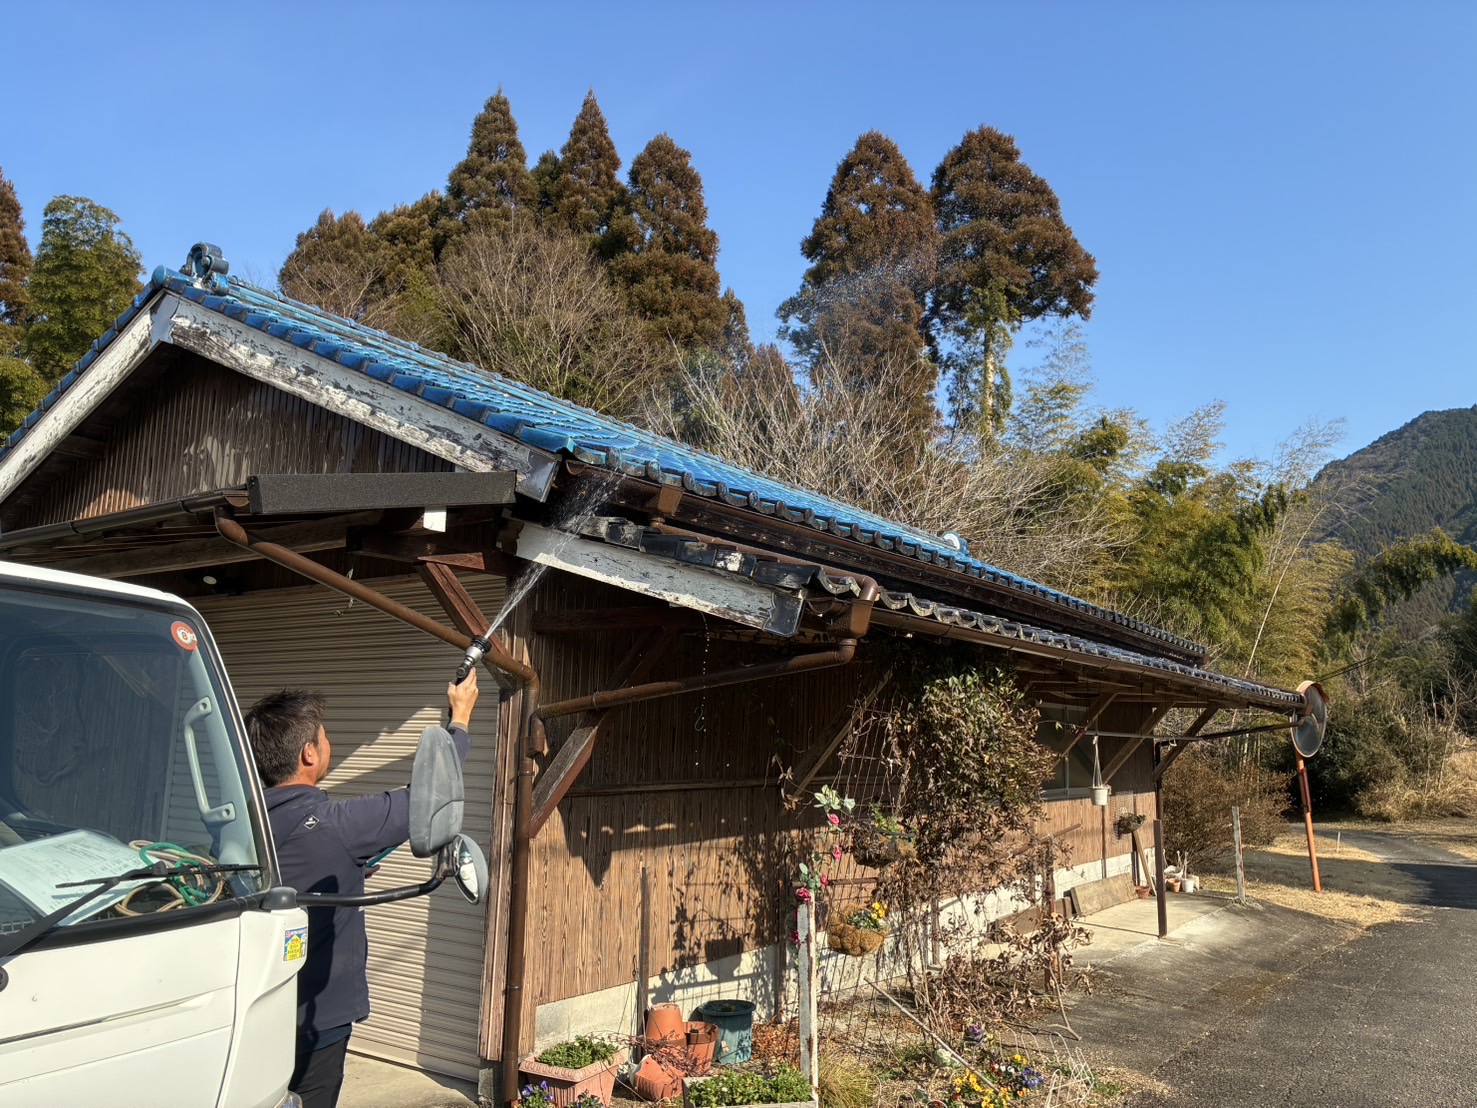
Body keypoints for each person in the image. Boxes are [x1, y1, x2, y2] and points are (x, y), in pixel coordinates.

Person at [243, 671, 480, 1108]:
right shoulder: (337, 826)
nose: (328, 743)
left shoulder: (241, 827)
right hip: (317, 1022)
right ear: (309, 753)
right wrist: (460, 718)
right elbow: (431, 795)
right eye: (325, 737)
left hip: (249, 1012)